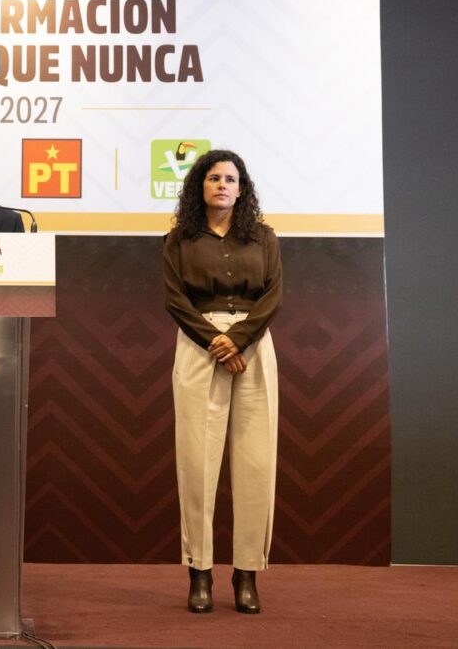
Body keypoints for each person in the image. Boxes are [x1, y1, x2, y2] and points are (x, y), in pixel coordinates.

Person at [162, 149, 282, 614]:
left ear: (242, 188)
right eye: (214, 178)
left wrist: (240, 340)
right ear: (200, 186)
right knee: (197, 461)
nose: (222, 186)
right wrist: (216, 340)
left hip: (253, 346)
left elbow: (273, 295)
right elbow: (175, 299)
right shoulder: (179, 239)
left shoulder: (264, 237)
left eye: (231, 179)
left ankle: (247, 574)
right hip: (199, 346)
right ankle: (200, 572)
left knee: (256, 462)